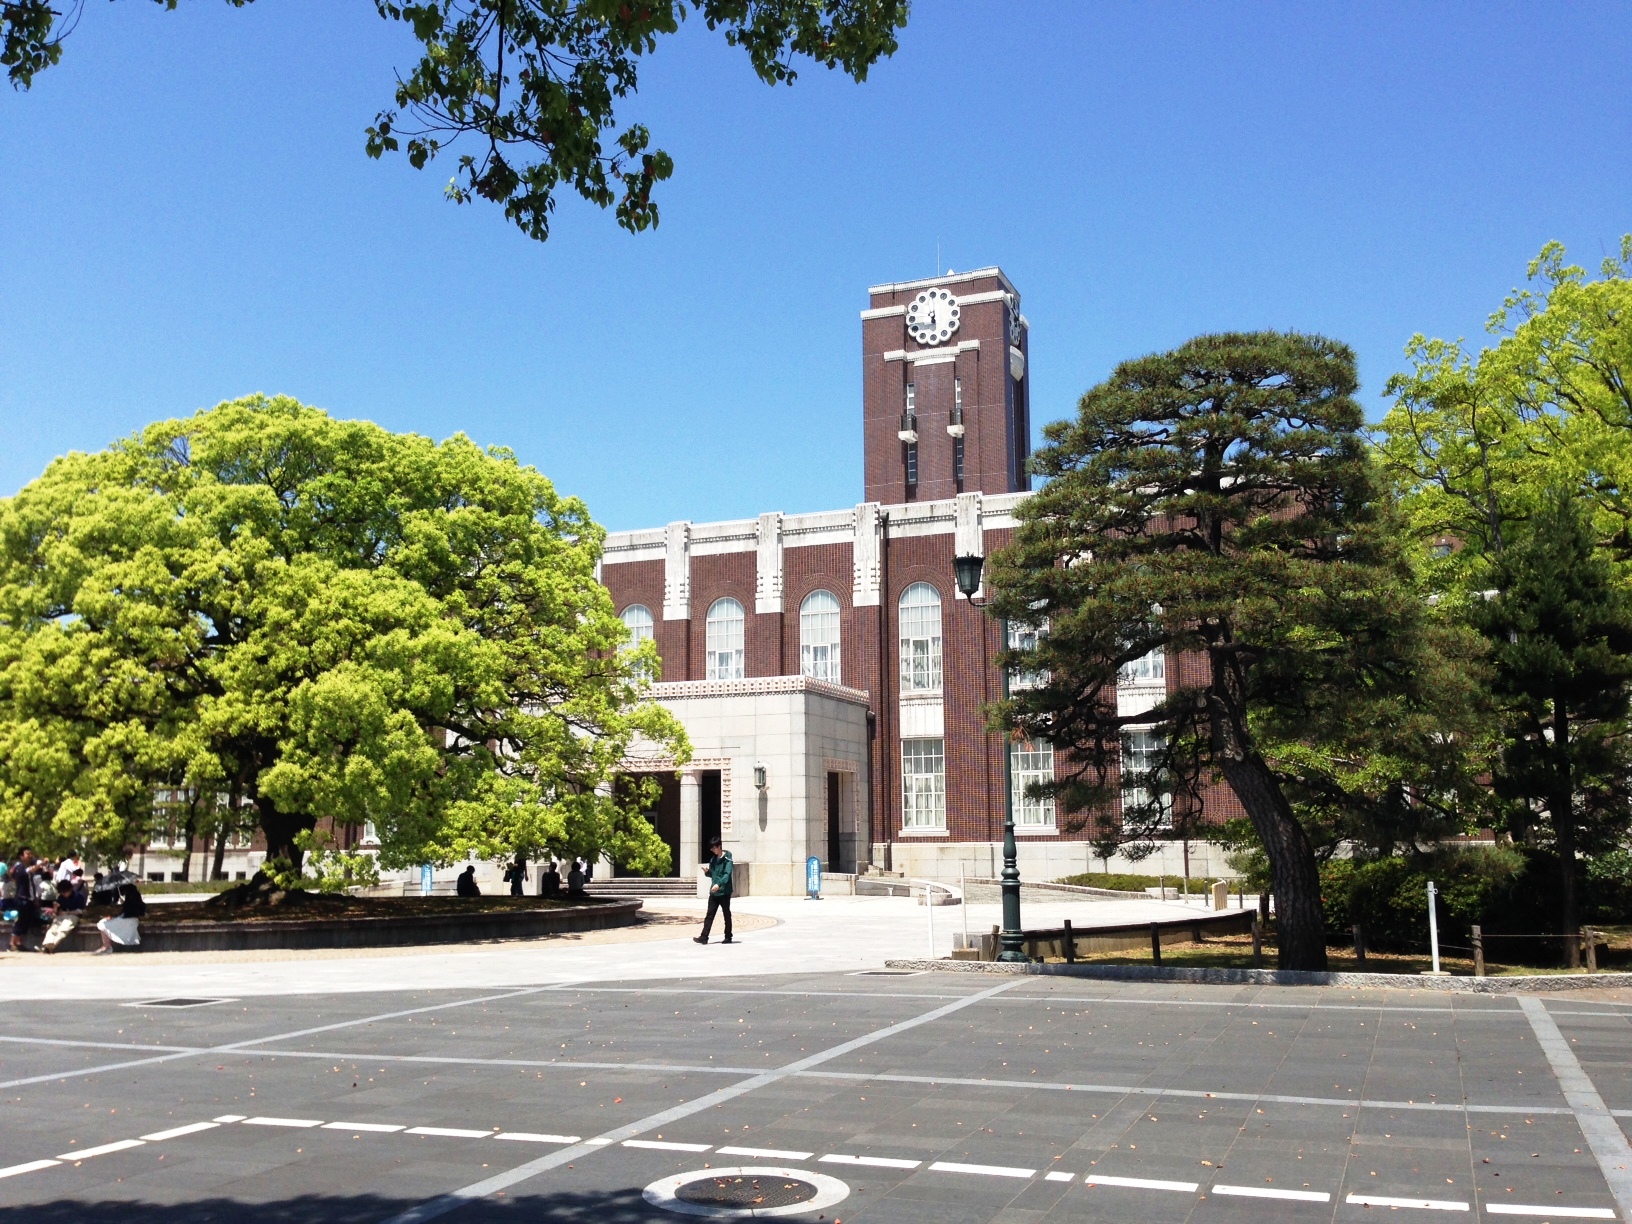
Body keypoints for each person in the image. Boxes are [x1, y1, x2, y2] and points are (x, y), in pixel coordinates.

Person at [693, 836, 734, 945]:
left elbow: (727, 874)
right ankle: (704, 937)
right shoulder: (713, 860)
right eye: (711, 849)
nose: (713, 850)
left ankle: (728, 936)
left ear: (719, 846)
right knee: (709, 914)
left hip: (724, 891)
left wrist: (719, 884)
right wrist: (707, 872)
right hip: (714, 892)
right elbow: (713, 874)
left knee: (726, 914)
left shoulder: (727, 859)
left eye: (714, 848)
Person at [94, 881, 146, 954]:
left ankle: (106, 946)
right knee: (104, 922)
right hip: (130, 919)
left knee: (102, 924)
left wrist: (123, 905)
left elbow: (129, 911)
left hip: (128, 920)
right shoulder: (134, 895)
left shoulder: (132, 897)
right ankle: (106, 946)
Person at [8, 847, 43, 952]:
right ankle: (12, 944)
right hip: (22, 898)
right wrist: (40, 864)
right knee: (20, 921)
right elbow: (27, 871)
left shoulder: (24, 867)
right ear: (21, 856)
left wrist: (34, 898)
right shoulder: (19, 867)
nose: (29, 856)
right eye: (27, 854)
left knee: (25, 922)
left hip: (28, 899)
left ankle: (19, 943)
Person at [42, 878, 85, 953]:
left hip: (73, 917)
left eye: (65, 892)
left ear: (70, 889)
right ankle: (47, 944)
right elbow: (57, 912)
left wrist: (67, 913)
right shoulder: (61, 897)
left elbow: (80, 911)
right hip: (61, 916)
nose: (64, 894)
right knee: (53, 929)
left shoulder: (78, 896)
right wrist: (55, 908)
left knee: (63, 929)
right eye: (62, 892)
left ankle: (51, 945)